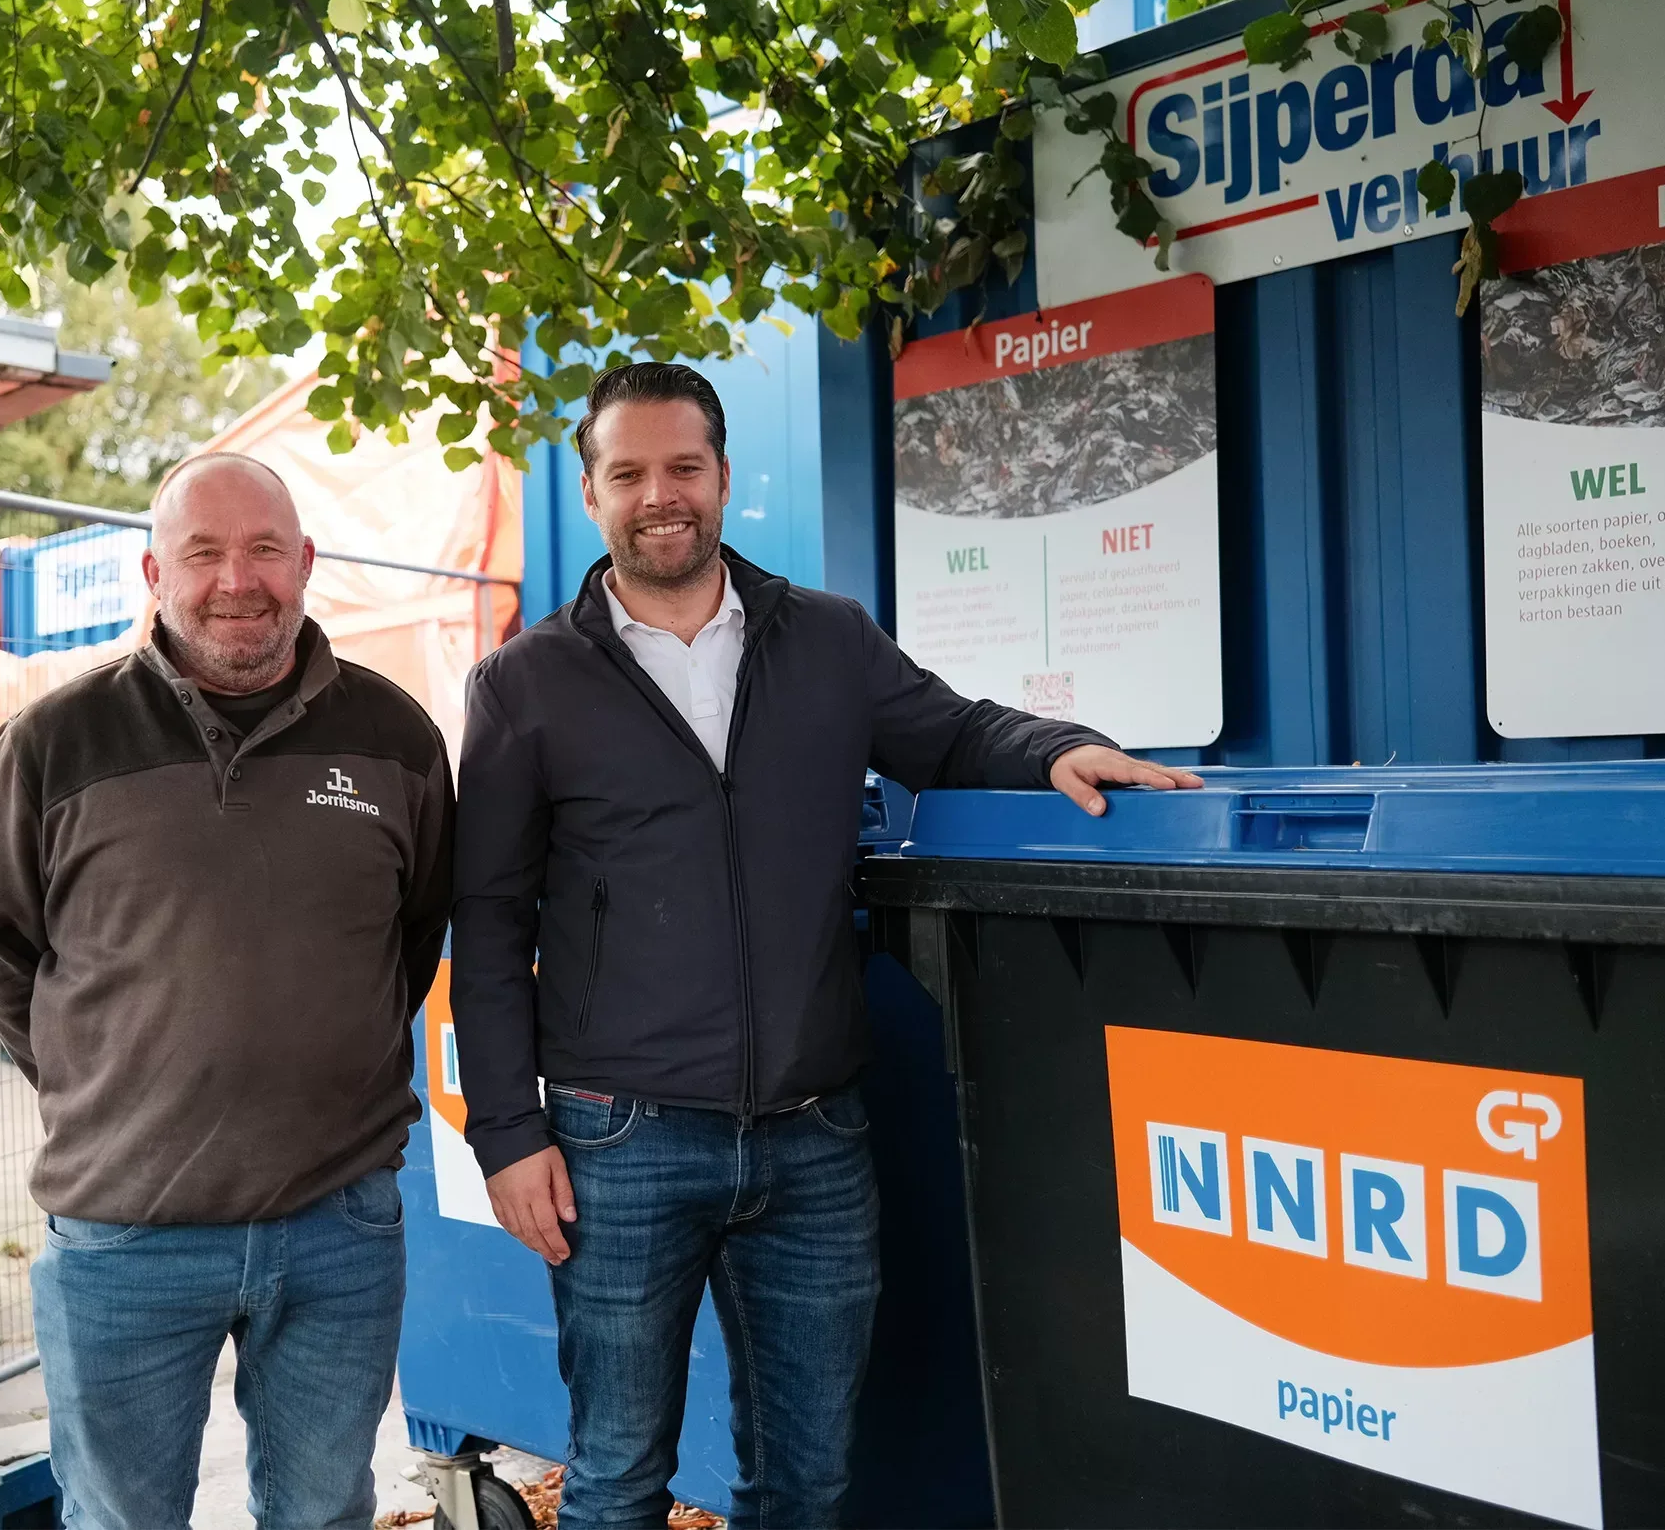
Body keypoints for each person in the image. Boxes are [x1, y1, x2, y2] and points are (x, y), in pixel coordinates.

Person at [450, 362, 1200, 1529]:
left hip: (813, 1136)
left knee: (808, 1481)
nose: (662, 494)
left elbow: (951, 731)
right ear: (592, 493)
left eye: (684, 467)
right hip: (619, 1136)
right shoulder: (523, 684)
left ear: (723, 478)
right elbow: (487, 922)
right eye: (630, 472)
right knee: (616, 1480)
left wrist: (1058, 745)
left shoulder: (827, 639)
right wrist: (507, 1130)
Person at [0, 453, 454, 1530]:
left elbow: (411, 939)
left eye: (266, 547)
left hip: (338, 1224)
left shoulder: (396, 738)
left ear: (306, 561)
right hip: (125, 1234)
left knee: (323, 1513)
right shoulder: (53, 741)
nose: (240, 577)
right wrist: (101, 1073)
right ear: (153, 571)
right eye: (205, 551)